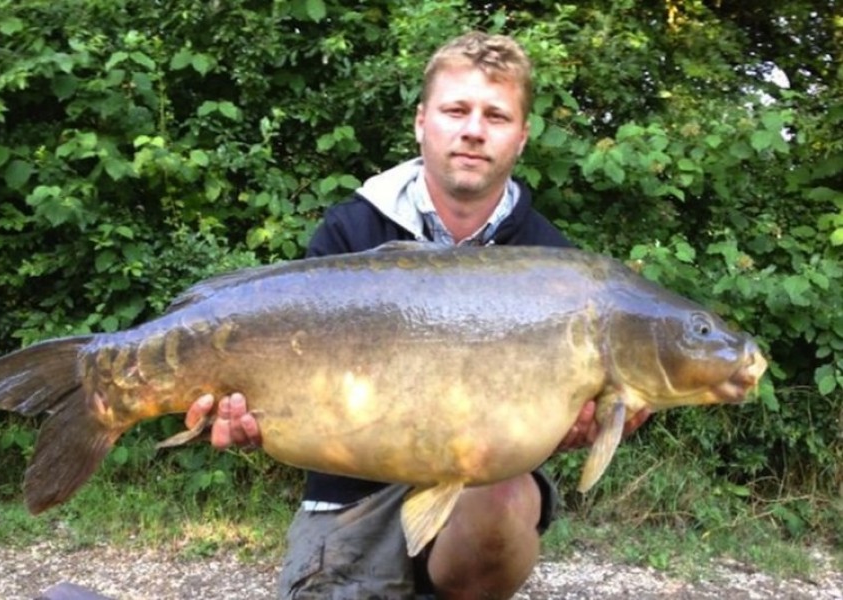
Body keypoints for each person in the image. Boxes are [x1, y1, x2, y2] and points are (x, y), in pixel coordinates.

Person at [185, 32, 649, 599]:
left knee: (505, 499)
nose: (474, 129)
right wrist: (252, 416)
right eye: (457, 110)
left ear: (522, 137)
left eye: (496, 116)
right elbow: (289, 390)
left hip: (482, 494)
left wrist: (571, 429)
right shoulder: (350, 231)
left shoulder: (553, 264)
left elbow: (530, 426)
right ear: (422, 121)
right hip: (351, 491)